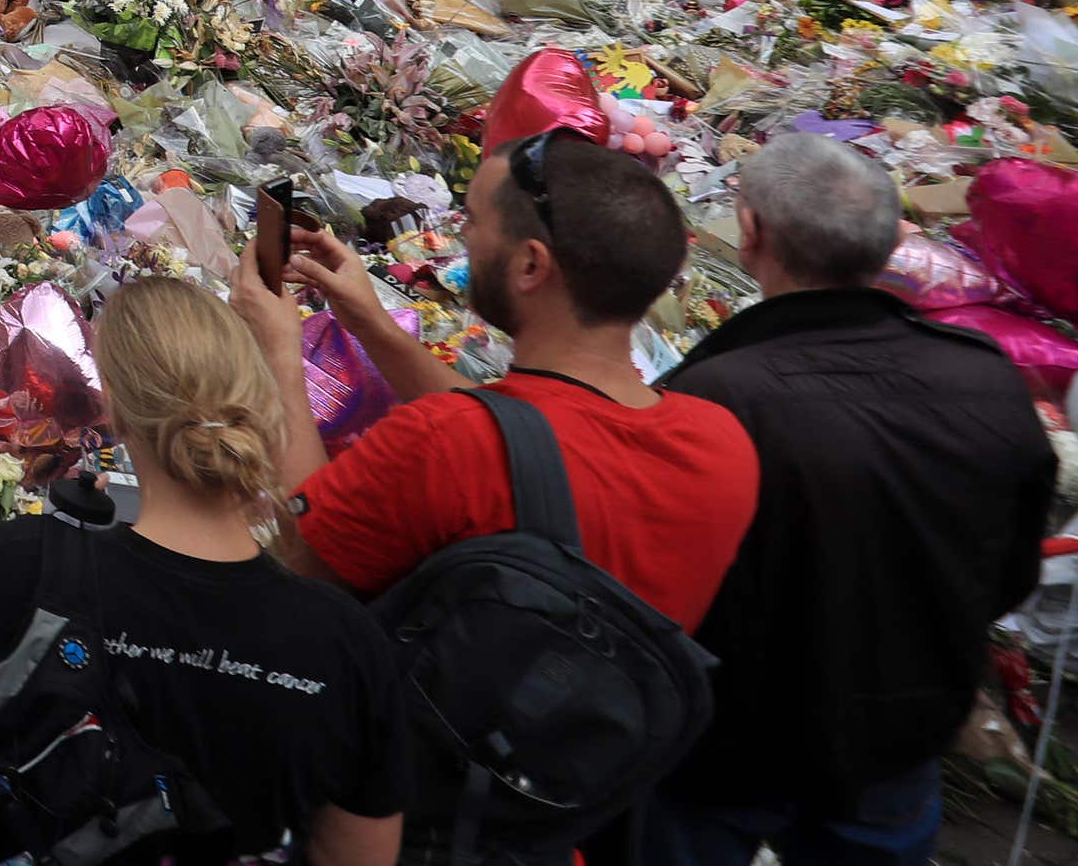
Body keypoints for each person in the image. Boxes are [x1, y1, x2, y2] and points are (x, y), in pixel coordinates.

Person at [229, 132, 760, 815]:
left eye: (472, 220)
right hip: (566, 806)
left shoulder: (443, 444)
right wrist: (368, 321)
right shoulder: (720, 442)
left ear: (531, 264)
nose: (459, 233)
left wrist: (279, 347)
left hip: (405, 809)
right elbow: (523, 429)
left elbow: (297, 561)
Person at [0, 280, 410, 866]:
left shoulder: (33, 559)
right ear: (257, 404)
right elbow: (360, 853)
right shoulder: (347, 643)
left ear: (112, 402)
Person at [642, 136, 1056, 866]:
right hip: (900, 727)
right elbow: (1011, 572)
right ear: (890, 242)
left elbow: (658, 588)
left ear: (751, 234)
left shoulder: (712, 397)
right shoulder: (987, 379)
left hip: (731, 743)